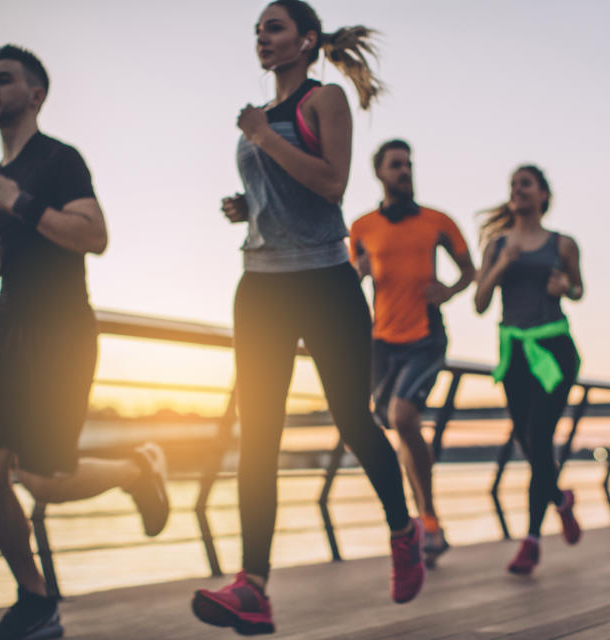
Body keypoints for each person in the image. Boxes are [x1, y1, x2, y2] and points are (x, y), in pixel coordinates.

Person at [191, 2, 424, 634]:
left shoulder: (323, 101)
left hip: (324, 279)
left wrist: (263, 137)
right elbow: (285, 192)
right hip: (261, 285)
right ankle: (254, 587)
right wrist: (251, 206)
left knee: (353, 418)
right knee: (258, 433)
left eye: (274, 28)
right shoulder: (257, 119)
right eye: (258, 30)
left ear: (306, 40)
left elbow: (331, 184)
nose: (262, 39)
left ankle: (404, 532)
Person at [0, 45, 169, 640]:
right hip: (5, 333)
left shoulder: (58, 161)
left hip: (60, 334)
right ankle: (35, 599)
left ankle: (136, 468)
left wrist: (20, 202)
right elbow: (7, 256)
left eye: (4, 79)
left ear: (36, 95)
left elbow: (93, 235)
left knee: (44, 478)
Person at [349, 139, 476, 568]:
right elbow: (350, 282)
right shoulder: (363, 227)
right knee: (396, 426)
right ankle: (428, 524)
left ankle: (428, 518)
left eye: (408, 164)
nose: (404, 171)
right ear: (380, 173)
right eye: (396, 165)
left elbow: (468, 271)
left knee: (403, 418)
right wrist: (357, 274)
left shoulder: (437, 221)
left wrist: (450, 291)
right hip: (381, 343)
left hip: (425, 337)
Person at [474, 165, 583, 575]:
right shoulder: (497, 245)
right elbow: (480, 301)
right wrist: (502, 264)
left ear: (542, 195)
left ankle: (531, 541)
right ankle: (559, 499)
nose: (517, 190)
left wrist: (564, 288)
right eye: (513, 185)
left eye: (525, 184)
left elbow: (578, 290)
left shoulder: (563, 244)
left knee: (539, 437)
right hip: (514, 352)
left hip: (554, 349)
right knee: (527, 439)